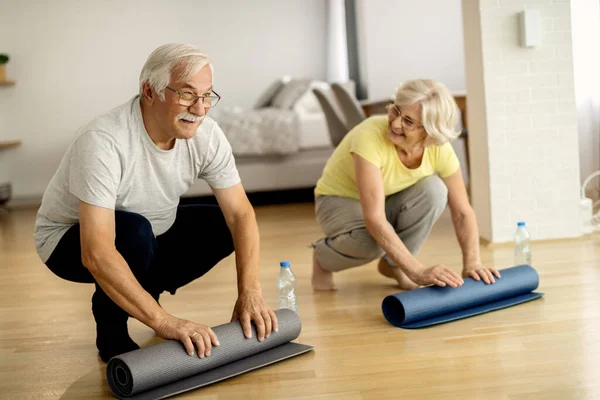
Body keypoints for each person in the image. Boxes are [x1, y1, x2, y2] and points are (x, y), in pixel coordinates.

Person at [34, 43, 277, 362]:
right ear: (150, 91)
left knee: (222, 224)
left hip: (151, 229)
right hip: (67, 242)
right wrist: (165, 322)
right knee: (134, 232)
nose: (200, 109)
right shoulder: (103, 141)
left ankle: (144, 292)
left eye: (207, 96)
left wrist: (250, 293)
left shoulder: (207, 135)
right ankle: (112, 331)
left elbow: (241, 215)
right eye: (187, 94)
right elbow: (96, 252)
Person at [311, 79, 500, 291]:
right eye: (396, 111)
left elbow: (462, 212)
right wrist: (417, 270)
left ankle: (394, 267)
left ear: (429, 131)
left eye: (408, 121)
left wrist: (473, 262)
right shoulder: (369, 136)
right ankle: (322, 258)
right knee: (372, 243)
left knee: (435, 190)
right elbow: (374, 218)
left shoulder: (439, 148)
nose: (395, 123)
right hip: (337, 200)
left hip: (387, 198)